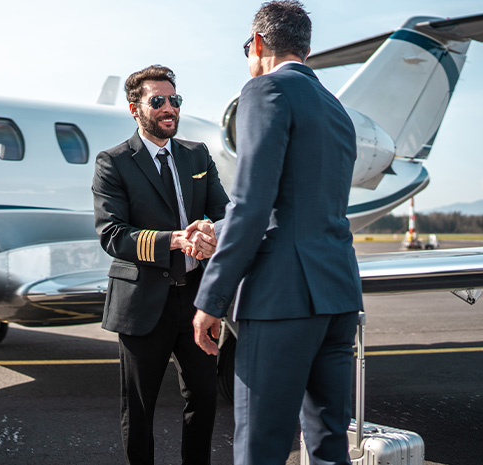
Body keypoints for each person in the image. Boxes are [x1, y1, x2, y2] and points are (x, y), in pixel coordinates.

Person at [191, 2, 364, 464]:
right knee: (329, 443)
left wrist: (210, 299)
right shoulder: (336, 109)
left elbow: (252, 203)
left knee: (260, 448)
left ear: (260, 43)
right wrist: (217, 227)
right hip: (338, 294)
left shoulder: (265, 90)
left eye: (247, 47)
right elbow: (300, 205)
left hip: (283, 297)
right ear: (306, 48)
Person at [92, 65, 230, 465]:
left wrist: (210, 231)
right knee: (139, 409)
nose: (169, 108)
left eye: (175, 100)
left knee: (204, 400)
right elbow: (113, 235)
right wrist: (176, 239)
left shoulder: (197, 154)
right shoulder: (113, 162)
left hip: (196, 303)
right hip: (142, 303)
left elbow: (223, 214)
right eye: (158, 101)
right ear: (136, 109)